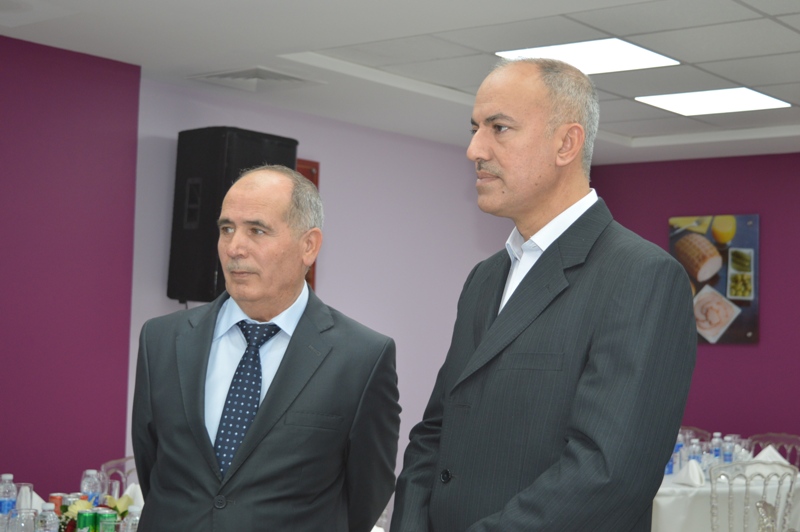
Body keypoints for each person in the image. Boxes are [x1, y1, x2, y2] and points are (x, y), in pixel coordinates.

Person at [391, 58, 696, 531]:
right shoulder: (485, 277)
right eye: (474, 128)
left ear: (566, 144)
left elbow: (607, 474)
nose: (474, 149)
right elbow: (436, 431)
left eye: (499, 128)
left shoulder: (641, 276)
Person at [132, 165, 401, 531]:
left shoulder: (361, 358)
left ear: (309, 246)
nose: (234, 247)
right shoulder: (161, 340)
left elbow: (366, 495)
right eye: (227, 229)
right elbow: (152, 466)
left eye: (256, 230)